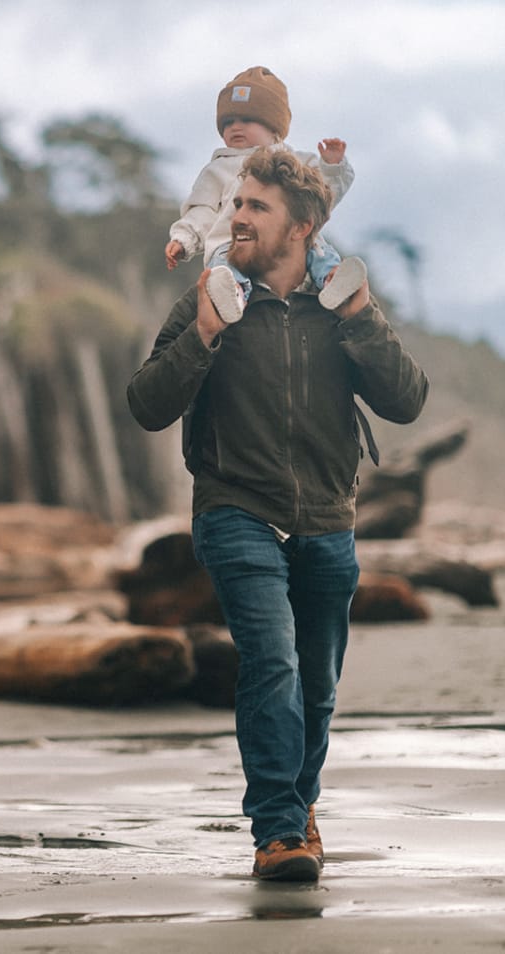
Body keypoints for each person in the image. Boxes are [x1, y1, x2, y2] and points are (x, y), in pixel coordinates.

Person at [127, 147, 428, 882]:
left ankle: (299, 804)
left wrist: (360, 320)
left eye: (256, 207)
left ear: (303, 227)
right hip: (236, 510)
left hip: (328, 516)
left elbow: (406, 399)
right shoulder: (213, 298)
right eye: (236, 204)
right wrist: (201, 336)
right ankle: (278, 832)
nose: (237, 217)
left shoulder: (341, 307)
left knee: (318, 684)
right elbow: (146, 405)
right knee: (273, 660)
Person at [165, 66, 365, 324]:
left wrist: (332, 167)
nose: (235, 127)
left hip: (291, 242)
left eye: (247, 120)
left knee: (319, 250)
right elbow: (202, 210)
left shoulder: (295, 163)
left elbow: (320, 197)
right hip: (232, 244)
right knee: (223, 267)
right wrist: (184, 239)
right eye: (228, 122)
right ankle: (232, 294)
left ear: (275, 130)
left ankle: (332, 281)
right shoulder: (217, 169)